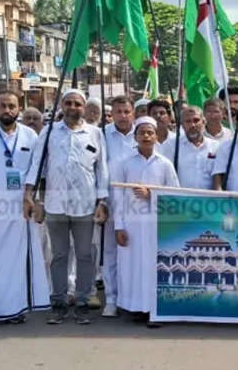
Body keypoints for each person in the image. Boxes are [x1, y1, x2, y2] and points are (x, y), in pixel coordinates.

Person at [24, 89, 109, 325]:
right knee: (59, 255)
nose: (73, 108)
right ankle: (58, 302)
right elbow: (37, 166)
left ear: (84, 107)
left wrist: (102, 202)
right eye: (68, 103)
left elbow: (102, 170)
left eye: (77, 104)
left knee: (84, 255)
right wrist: (31, 197)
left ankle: (82, 301)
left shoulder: (95, 133)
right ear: (62, 105)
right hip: (55, 204)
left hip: (85, 204)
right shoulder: (49, 132)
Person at [0, 90, 50, 323]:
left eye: (12, 106)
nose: (7, 111)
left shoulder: (29, 136)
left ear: (19, 108)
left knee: (16, 262)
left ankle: (16, 308)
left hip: (20, 208)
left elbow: (38, 172)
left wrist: (36, 201)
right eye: (3, 106)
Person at [115, 116, 179, 326]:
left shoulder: (165, 164)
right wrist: (118, 226)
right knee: (132, 266)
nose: (146, 136)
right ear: (135, 136)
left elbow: (174, 196)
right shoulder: (125, 163)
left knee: (154, 267)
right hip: (131, 225)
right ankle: (135, 308)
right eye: (142, 132)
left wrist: (151, 194)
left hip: (155, 226)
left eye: (150, 132)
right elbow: (117, 196)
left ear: (156, 136)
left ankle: (154, 309)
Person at [100, 96, 137, 317]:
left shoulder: (143, 133)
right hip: (112, 201)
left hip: (137, 205)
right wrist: (101, 200)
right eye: (118, 112)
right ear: (111, 114)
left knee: (135, 251)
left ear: (133, 112)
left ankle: (132, 298)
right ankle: (112, 299)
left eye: (127, 111)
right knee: (111, 252)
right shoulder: (102, 135)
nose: (123, 116)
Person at [161, 106, 219, 190]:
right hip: (180, 199)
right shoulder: (171, 145)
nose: (192, 125)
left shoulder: (215, 146)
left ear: (203, 122)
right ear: (182, 125)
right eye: (188, 121)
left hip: (208, 200)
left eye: (196, 120)